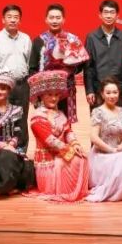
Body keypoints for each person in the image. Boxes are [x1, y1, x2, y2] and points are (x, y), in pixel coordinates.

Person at [28, 69, 90, 202]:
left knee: (82, 157)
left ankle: (74, 191)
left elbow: (68, 131)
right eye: (50, 94)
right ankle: (64, 191)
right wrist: (71, 150)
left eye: (56, 94)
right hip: (48, 161)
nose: (54, 98)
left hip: (61, 154)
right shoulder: (37, 117)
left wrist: (76, 144)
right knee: (73, 159)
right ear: (41, 96)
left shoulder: (60, 114)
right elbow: (50, 141)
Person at [86, 78, 122, 202]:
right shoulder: (98, 111)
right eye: (108, 93)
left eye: (115, 92)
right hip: (101, 154)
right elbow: (94, 138)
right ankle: (117, 191)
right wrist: (111, 150)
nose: (112, 96)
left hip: (118, 152)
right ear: (102, 94)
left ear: (119, 93)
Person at [36, 3, 88, 124]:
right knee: (45, 123)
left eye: (58, 18)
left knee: (65, 124)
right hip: (45, 91)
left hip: (67, 89)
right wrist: (37, 92)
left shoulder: (72, 39)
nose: (55, 21)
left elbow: (82, 63)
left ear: (63, 20)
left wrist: (69, 71)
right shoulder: (39, 41)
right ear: (46, 19)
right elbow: (33, 68)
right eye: (51, 17)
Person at [0, 4, 34, 123]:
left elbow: (29, 64)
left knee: (22, 121)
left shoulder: (26, 39)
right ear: (3, 19)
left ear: (20, 20)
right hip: (2, 87)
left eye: (16, 17)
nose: (13, 20)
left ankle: (22, 137)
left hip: (22, 86)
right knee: (3, 121)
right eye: (9, 17)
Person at [83, 0, 122, 110]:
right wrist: (89, 90)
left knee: (118, 120)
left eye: (112, 12)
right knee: (98, 120)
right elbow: (88, 67)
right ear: (100, 15)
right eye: (105, 12)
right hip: (98, 89)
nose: (109, 16)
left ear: (117, 15)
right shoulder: (92, 37)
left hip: (118, 89)